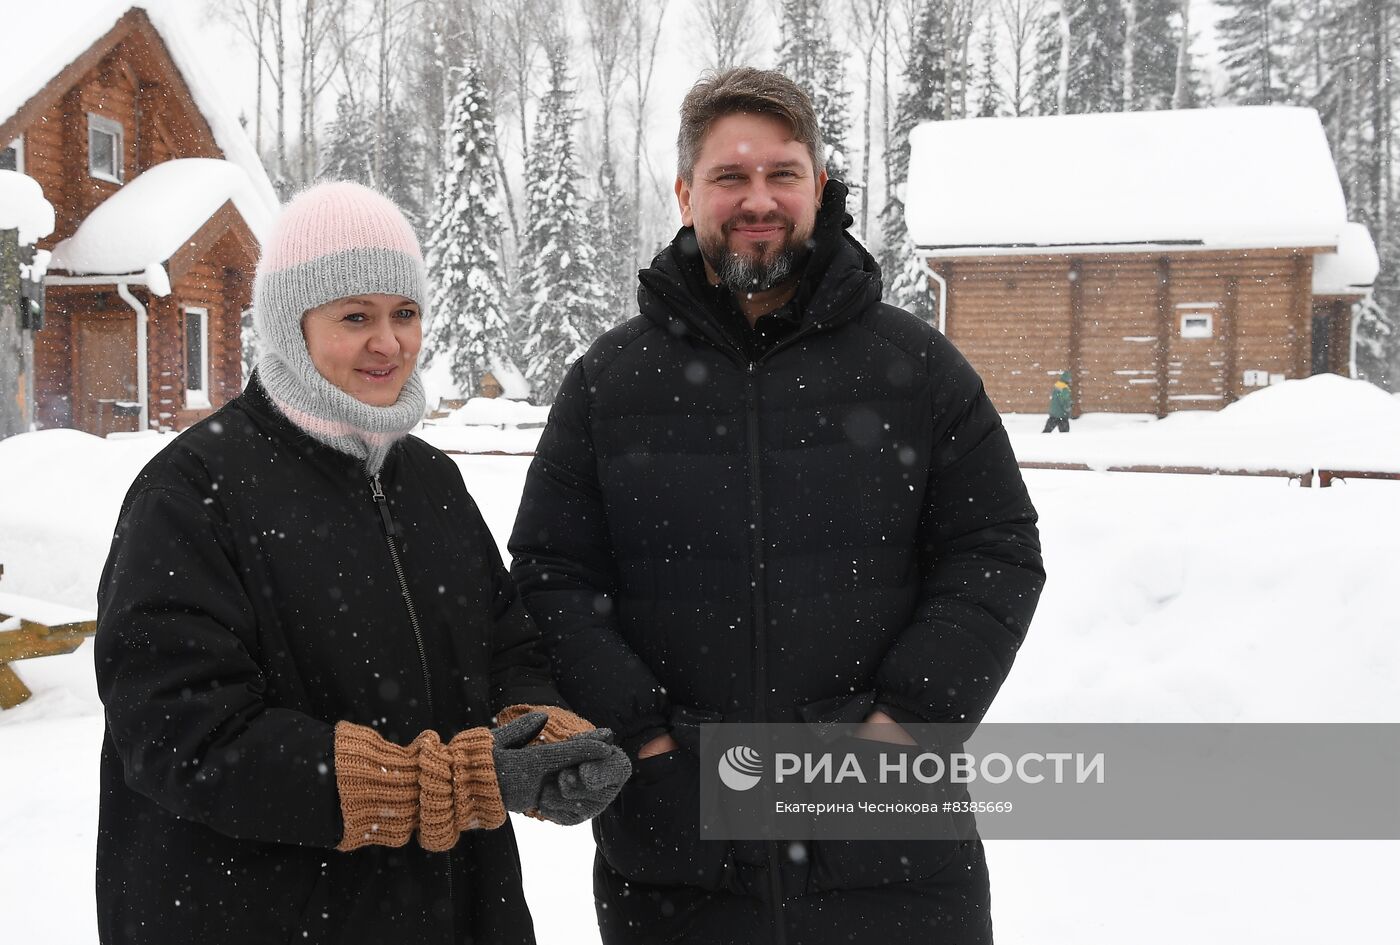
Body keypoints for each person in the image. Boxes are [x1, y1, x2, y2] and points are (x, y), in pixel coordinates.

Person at [510, 69, 1046, 944]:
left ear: (819, 186)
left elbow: (996, 551)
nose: (757, 200)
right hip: (680, 860)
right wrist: (646, 740)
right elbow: (551, 575)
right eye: (730, 177)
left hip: (892, 856)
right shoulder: (610, 383)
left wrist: (903, 728)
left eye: (782, 174)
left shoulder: (916, 367)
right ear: (686, 194)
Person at [94, 181, 630, 945]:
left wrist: (538, 736)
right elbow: (183, 733)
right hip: (261, 914)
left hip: (455, 908)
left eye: (404, 313)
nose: (389, 342)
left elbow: (508, 645)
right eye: (356, 317)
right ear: (291, 324)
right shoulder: (193, 492)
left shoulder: (431, 482)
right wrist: (452, 780)